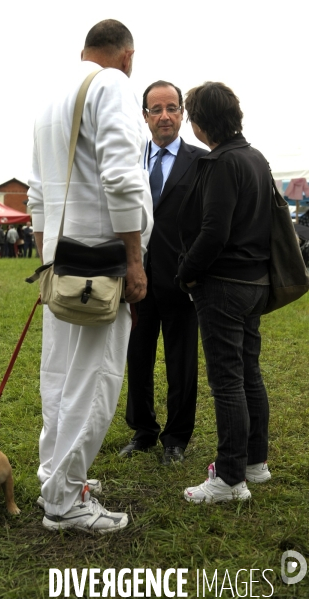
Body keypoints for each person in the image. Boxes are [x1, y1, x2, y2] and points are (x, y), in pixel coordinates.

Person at [27, 19, 153, 533]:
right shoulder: (114, 85)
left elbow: (36, 193)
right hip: (101, 262)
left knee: (58, 375)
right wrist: (135, 259)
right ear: (126, 56)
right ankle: (64, 500)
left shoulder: (51, 96)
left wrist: (48, 257)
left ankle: (55, 475)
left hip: (62, 260)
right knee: (95, 377)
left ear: (85, 51)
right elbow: (122, 177)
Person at [177, 82, 272, 503]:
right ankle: (256, 462)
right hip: (254, 282)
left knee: (227, 380)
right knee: (249, 372)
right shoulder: (255, 158)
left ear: (199, 124)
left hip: (224, 284)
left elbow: (214, 231)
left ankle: (231, 478)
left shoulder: (219, 163)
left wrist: (187, 272)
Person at [119, 81, 208, 465]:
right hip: (136, 278)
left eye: (172, 107)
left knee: (181, 360)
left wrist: (195, 270)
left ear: (182, 114)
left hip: (181, 279)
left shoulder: (201, 161)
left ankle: (176, 437)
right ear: (145, 116)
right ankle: (143, 430)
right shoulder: (128, 159)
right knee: (136, 355)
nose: (165, 116)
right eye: (156, 109)